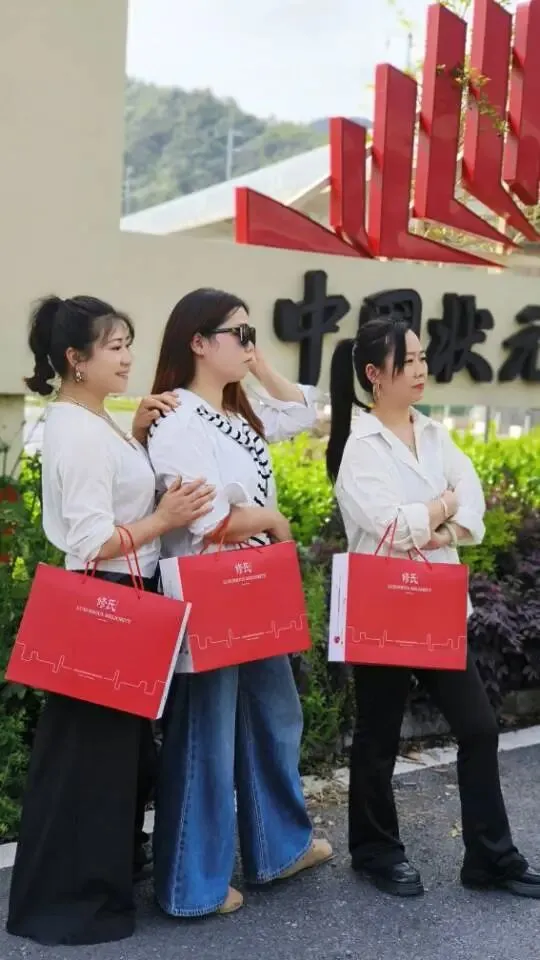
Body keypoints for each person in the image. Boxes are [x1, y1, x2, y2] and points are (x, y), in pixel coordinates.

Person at [6, 294, 216, 946]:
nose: (128, 358)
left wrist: (140, 435)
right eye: (115, 347)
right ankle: (76, 899)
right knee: (92, 760)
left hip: (122, 594)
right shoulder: (75, 429)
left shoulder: (94, 418)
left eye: (128, 344)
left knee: (113, 757)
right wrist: (165, 519)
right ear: (76, 358)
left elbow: (115, 495)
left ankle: (103, 879)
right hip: (104, 596)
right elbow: (91, 539)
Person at [326, 316, 540, 900]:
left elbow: (472, 504)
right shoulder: (359, 448)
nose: (421, 369)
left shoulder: (435, 432)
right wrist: (443, 505)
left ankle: (491, 858)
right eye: (409, 361)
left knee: (479, 727)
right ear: (375, 374)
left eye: (422, 358)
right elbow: (391, 527)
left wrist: (442, 522)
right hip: (383, 605)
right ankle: (375, 851)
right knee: (378, 735)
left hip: (437, 602)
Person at [147, 287, 333, 918]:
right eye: (240, 333)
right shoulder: (178, 419)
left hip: (252, 583)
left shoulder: (235, 410)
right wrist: (275, 520)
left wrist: (255, 360)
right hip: (211, 588)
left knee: (274, 715)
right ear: (198, 342)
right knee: (207, 733)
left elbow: (304, 413)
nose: (251, 344)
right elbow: (205, 518)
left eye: (253, 333)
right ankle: (191, 885)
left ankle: (279, 847)